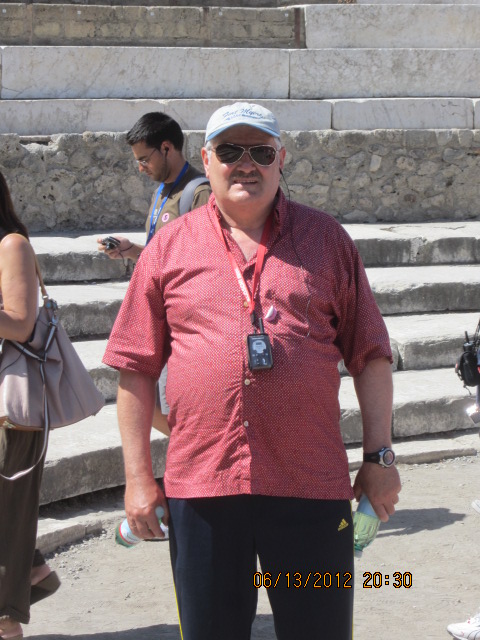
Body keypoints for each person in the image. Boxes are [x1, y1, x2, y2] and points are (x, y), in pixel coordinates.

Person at [102, 102, 402, 640]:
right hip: (204, 486)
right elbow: (134, 367)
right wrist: (139, 477)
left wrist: (379, 458)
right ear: (205, 159)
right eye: (229, 151)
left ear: (281, 159)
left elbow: (371, 354)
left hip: (310, 485)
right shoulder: (168, 247)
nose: (246, 164)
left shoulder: (327, 240)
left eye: (261, 152)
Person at [97, 112, 211, 436]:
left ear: (166, 148)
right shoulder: (161, 193)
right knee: (153, 407)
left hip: (183, 323)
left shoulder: (199, 194)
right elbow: (161, 255)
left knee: (177, 412)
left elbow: (207, 262)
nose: (140, 167)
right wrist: (131, 250)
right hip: (157, 317)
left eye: (144, 159)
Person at [0, 171, 60, 640]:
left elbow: (20, 324)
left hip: (9, 408)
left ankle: (7, 620)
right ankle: (34, 570)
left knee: (6, 519)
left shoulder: (12, 245)